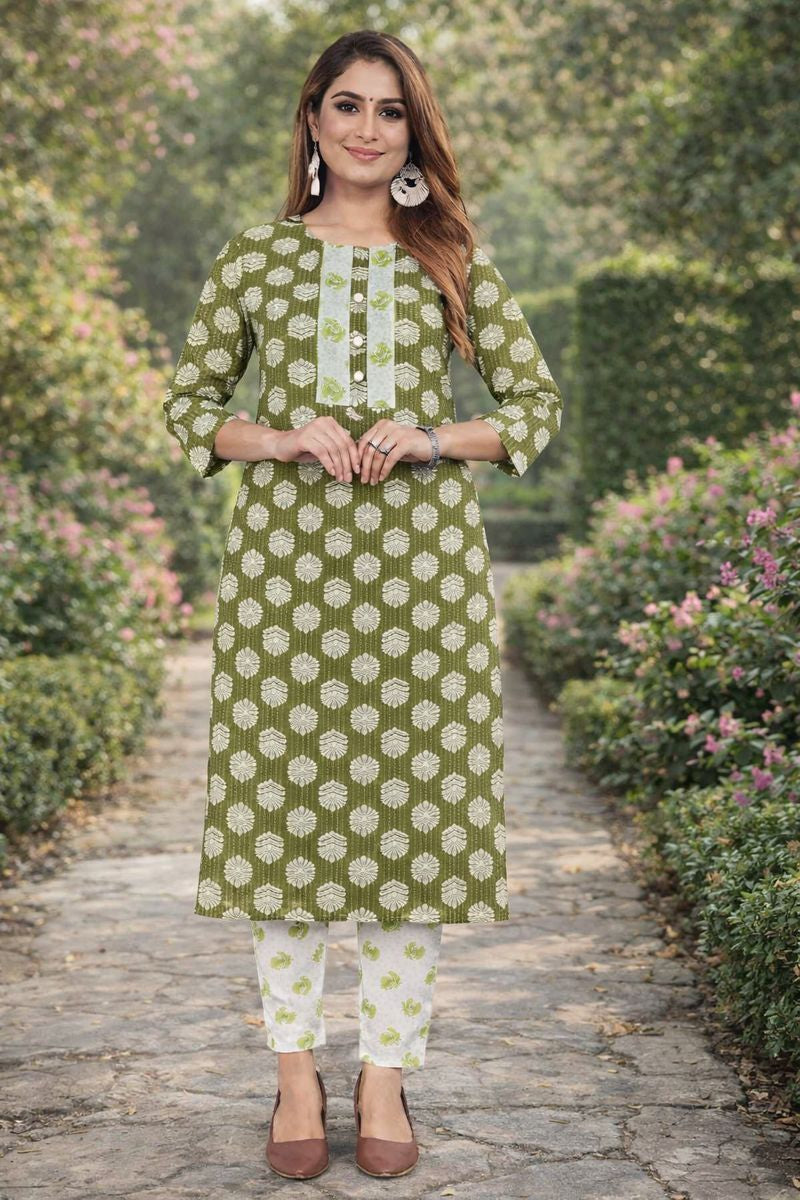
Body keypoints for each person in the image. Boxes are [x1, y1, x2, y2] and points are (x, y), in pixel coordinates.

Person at [162, 29, 563, 1181]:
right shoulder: (256, 257)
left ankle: (383, 1074)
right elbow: (190, 409)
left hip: (420, 587)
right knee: (284, 825)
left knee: (410, 827)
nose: (366, 128)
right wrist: (283, 437)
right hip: (284, 585)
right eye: (346, 105)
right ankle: (295, 1073)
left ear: (412, 131)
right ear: (311, 119)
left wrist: (431, 436)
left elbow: (531, 407)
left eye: (390, 110)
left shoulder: (449, 258)